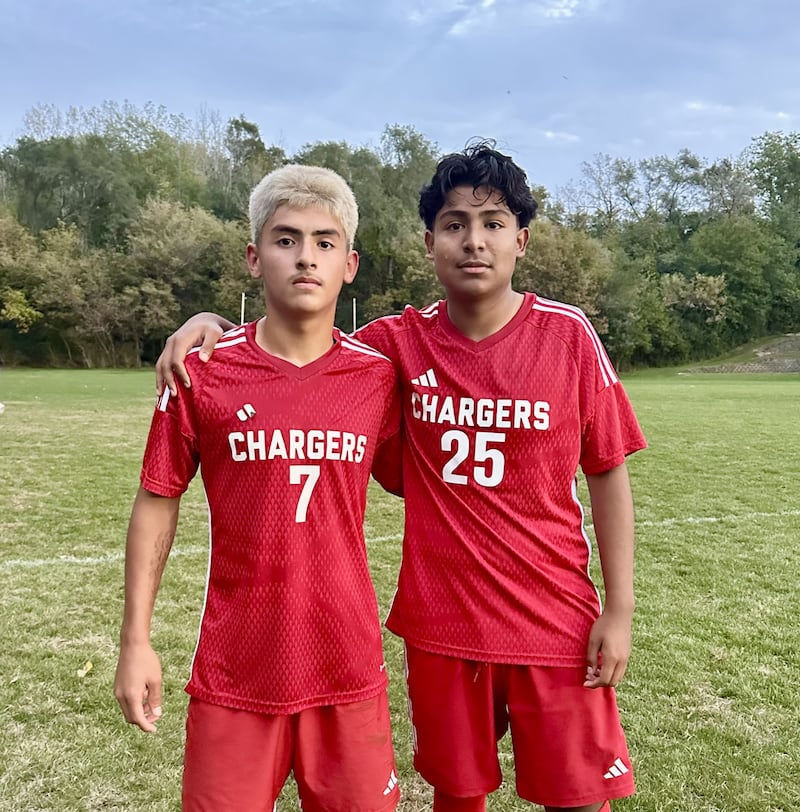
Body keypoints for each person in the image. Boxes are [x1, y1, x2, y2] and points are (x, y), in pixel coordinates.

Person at [156, 142, 646, 812]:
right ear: (429, 243)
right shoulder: (393, 345)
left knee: (579, 796)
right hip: (442, 622)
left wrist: (617, 608)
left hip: (554, 619)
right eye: (454, 225)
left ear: (521, 241)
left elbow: (608, 474)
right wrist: (207, 324)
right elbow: (298, 341)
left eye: (494, 223)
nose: (474, 241)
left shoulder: (567, 335)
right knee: (457, 793)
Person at [114, 164, 402, 812]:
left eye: (325, 242)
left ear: (349, 264)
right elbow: (158, 499)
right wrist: (135, 641)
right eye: (286, 239)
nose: (307, 258)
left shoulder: (379, 377)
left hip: (347, 670)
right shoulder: (203, 371)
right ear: (254, 257)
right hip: (235, 673)